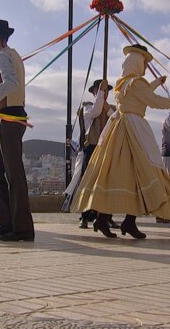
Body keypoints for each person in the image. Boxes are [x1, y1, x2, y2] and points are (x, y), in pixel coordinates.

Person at [72, 44, 170, 239]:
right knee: (143, 172)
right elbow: (152, 100)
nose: (145, 65)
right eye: (143, 62)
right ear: (137, 62)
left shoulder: (123, 84)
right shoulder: (136, 83)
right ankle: (123, 221)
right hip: (134, 130)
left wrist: (156, 82)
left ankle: (109, 219)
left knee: (120, 174)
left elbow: (142, 92)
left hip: (119, 128)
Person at [0, 19, 35, 242]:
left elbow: (10, 83)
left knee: (13, 174)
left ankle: (22, 228)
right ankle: (7, 223)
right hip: (10, 117)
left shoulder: (2, 56)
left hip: (10, 118)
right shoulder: (14, 54)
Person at [61, 79, 120, 230]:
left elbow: (116, 119)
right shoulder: (87, 107)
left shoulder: (112, 108)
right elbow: (96, 111)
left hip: (106, 148)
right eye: (100, 91)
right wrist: (101, 93)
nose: (103, 93)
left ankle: (106, 217)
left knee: (106, 182)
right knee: (88, 182)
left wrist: (107, 107)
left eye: (105, 91)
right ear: (95, 92)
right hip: (91, 148)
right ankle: (85, 216)